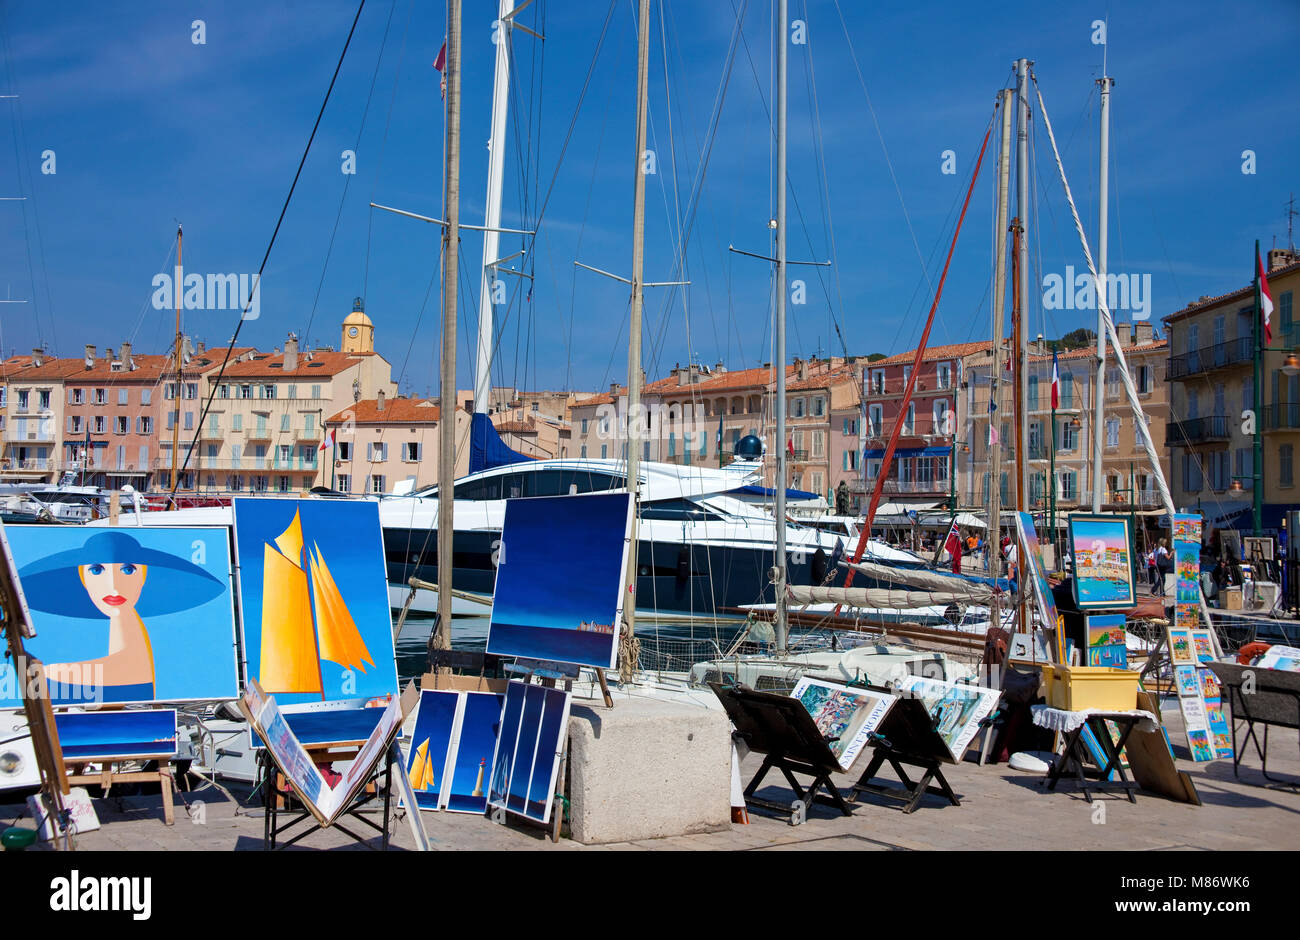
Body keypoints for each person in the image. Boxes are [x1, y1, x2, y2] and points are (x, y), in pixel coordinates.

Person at [17, 530, 225, 704]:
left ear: (143, 575)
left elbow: (129, 670)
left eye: (127, 570)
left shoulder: (129, 623)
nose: (114, 586)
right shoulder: (120, 622)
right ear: (83, 577)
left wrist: (51, 671)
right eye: (97, 570)